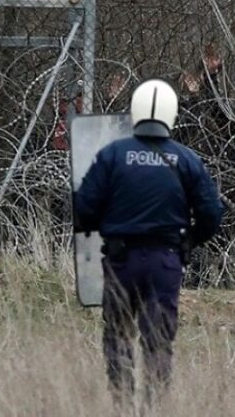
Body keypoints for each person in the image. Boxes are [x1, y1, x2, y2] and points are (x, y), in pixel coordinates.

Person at [74, 79, 224, 408]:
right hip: (165, 261)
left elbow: (84, 207)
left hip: (120, 260)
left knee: (118, 334)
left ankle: (122, 404)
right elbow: (212, 214)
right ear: (171, 114)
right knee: (158, 340)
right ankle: (153, 407)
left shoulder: (113, 154)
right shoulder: (186, 159)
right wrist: (190, 240)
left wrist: (105, 226)